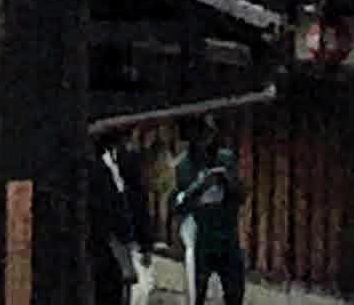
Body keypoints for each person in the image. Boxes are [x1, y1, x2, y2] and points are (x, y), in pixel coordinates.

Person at [168, 118, 245, 305]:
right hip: (201, 238)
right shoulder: (183, 166)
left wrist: (226, 180)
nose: (207, 141)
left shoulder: (226, 158)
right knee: (197, 294)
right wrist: (198, 187)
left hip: (227, 236)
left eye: (210, 135)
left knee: (235, 292)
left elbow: (241, 195)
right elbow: (176, 205)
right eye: (202, 137)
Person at [90, 133, 151, 305]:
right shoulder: (100, 169)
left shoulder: (118, 163)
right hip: (107, 245)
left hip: (117, 243)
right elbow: (117, 207)